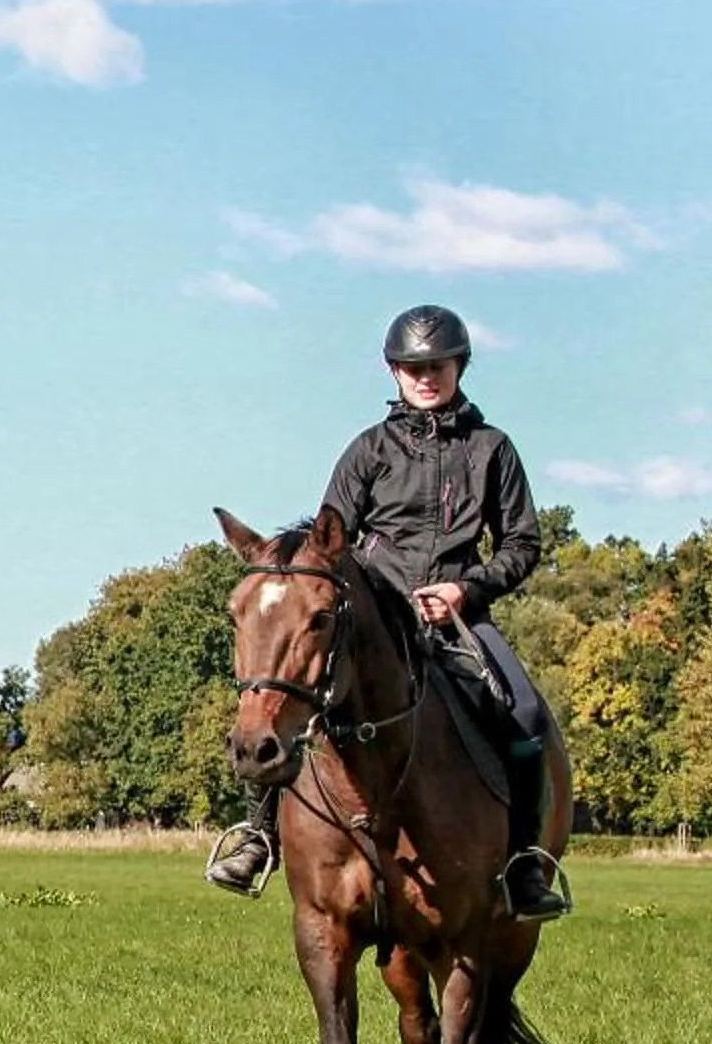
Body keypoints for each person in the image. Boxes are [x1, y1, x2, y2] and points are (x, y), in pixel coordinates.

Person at [208, 304, 569, 921]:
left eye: (437, 365)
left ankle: (524, 865)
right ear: (393, 371)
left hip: (456, 614)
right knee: (294, 702)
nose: (425, 376)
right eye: (412, 367)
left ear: (459, 366)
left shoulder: (492, 450)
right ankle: (258, 835)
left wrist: (466, 589)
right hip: (374, 618)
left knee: (527, 711)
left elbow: (522, 545)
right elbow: (323, 549)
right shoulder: (368, 450)